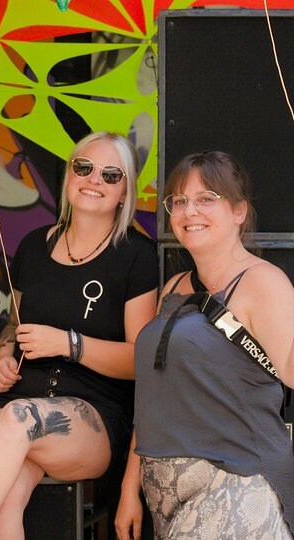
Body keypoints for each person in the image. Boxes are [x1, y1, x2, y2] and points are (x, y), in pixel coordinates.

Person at [0, 131, 158, 539]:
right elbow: (13, 327)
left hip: (92, 413)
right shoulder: (33, 246)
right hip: (12, 401)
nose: (94, 179)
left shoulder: (137, 255)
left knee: (18, 420)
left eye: (111, 175)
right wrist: (3, 357)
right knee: (4, 499)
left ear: (124, 192)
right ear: (69, 175)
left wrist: (69, 344)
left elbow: (141, 361)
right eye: (84, 167)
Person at [115, 151, 294, 539]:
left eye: (206, 198)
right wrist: (129, 488)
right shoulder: (174, 287)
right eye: (179, 201)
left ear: (239, 211)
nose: (189, 211)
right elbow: (152, 396)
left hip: (237, 483)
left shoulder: (262, 282)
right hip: (162, 494)